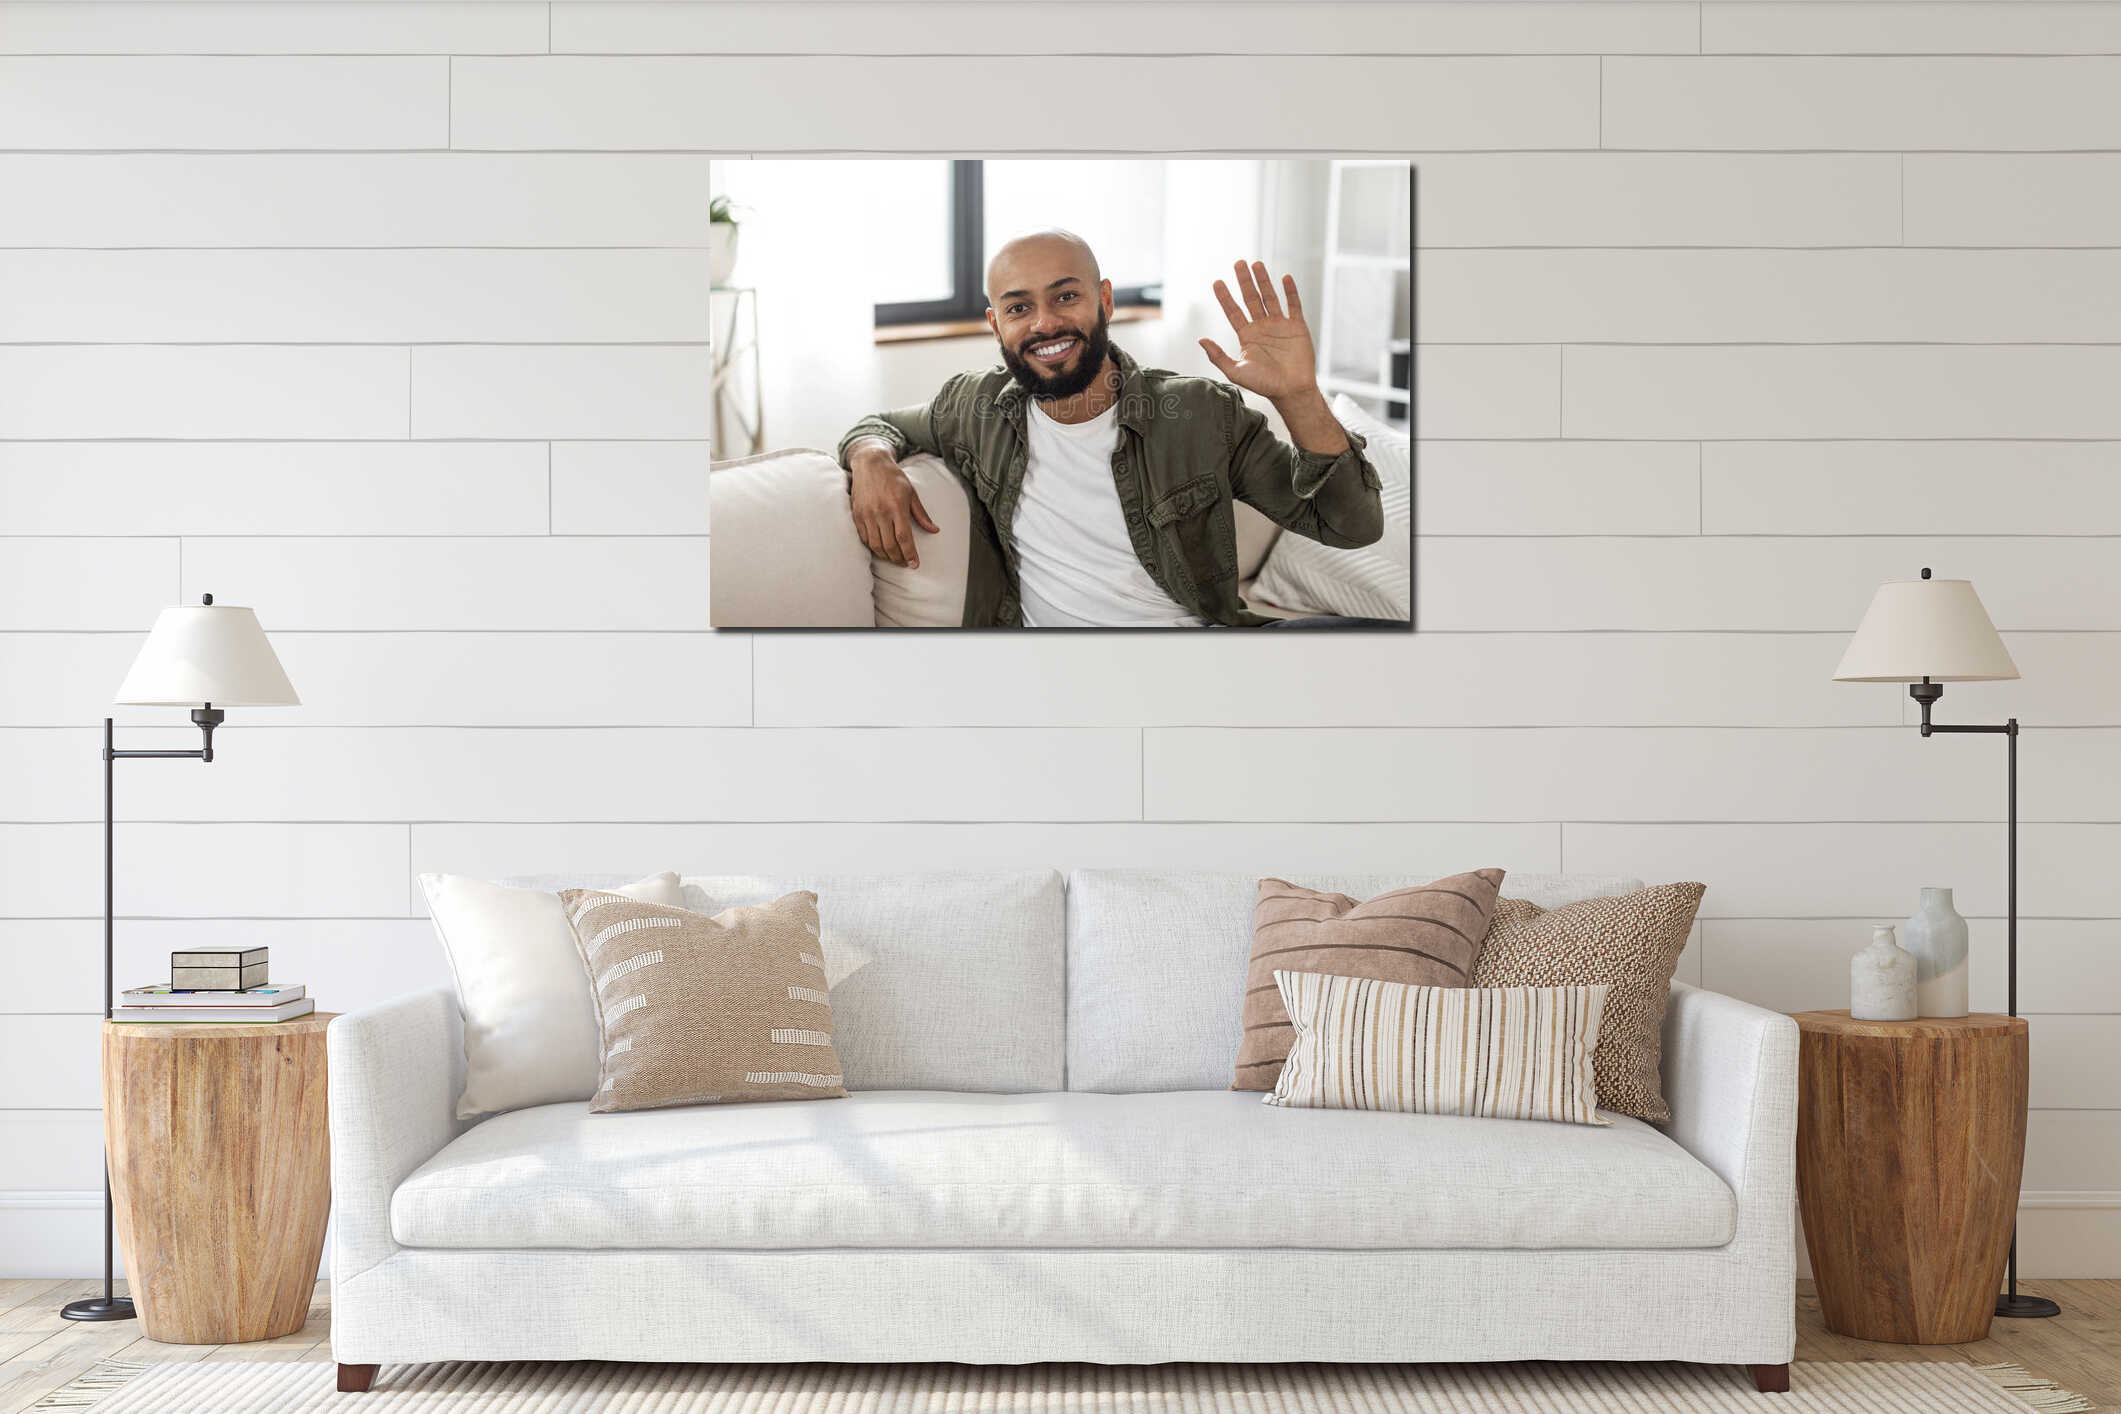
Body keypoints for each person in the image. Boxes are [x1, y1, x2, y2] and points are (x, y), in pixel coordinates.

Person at [837, 230, 1390, 628]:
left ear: (1103, 300)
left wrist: (1299, 396)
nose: (1045, 322)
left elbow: (1352, 528)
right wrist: (870, 459)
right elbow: (879, 425)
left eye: (1066, 296)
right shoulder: (974, 407)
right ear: (996, 324)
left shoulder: (1200, 413)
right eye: (1019, 307)